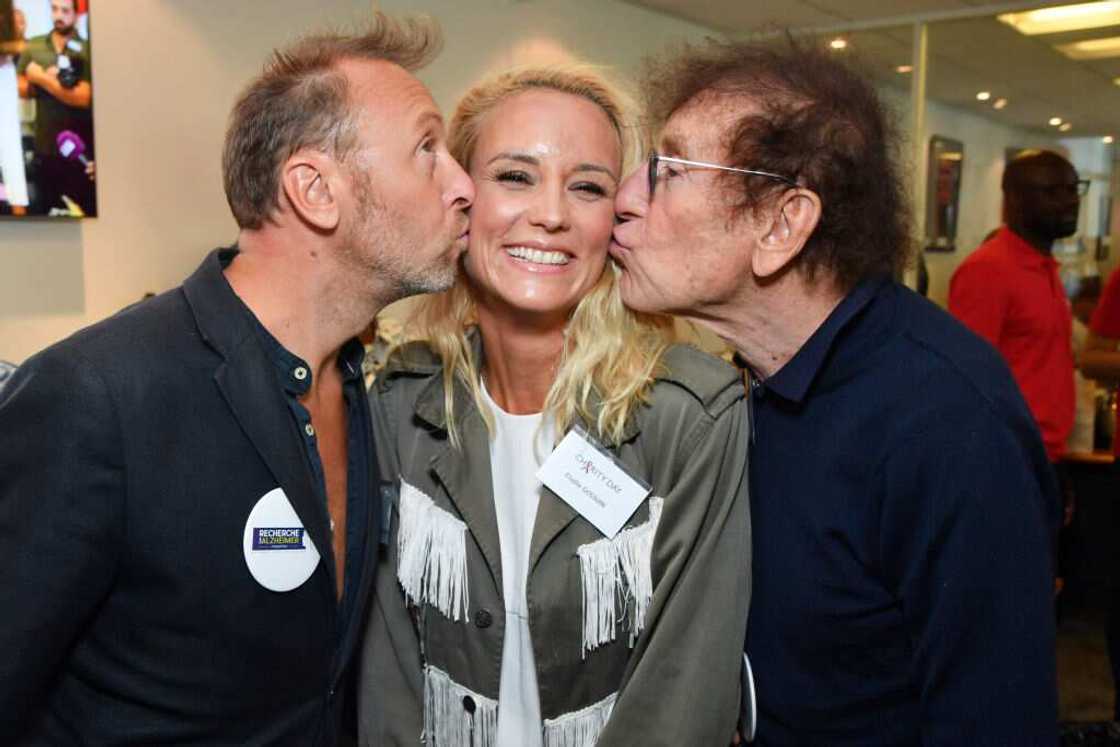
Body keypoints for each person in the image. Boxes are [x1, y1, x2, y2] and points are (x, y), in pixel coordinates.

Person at [0, 15, 473, 744]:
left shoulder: (360, 388)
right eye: (427, 151)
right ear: (316, 190)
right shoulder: (97, 394)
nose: (463, 185)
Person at [610, 38, 1058, 743]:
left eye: (668, 169)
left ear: (783, 224)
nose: (625, 198)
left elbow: (994, 718)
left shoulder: (948, 422)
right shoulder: (752, 379)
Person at [359, 65, 751, 746]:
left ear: (616, 219)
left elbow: (682, 698)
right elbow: (386, 677)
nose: (552, 213)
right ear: (461, 197)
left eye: (588, 187)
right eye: (515, 176)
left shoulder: (690, 418)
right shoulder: (400, 405)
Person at [949, 149, 1080, 473]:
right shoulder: (989, 269)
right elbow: (964, 381)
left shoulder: (1045, 267)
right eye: (1052, 192)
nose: (1070, 201)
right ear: (1014, 200)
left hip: (1047, 455)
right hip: (1007, 458)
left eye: (1074, 189)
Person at [17, 0, 94, 215]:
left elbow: (83, 97)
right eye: (54, 9)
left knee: (81, 214)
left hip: (80, 152)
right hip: (45, 148)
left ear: (76, 14)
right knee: (44, 215)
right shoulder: (34, 45)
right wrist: (58, 87)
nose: (58, 15)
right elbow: (19, 85)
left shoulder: (88, 49)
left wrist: (41, 78)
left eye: (65, 10)